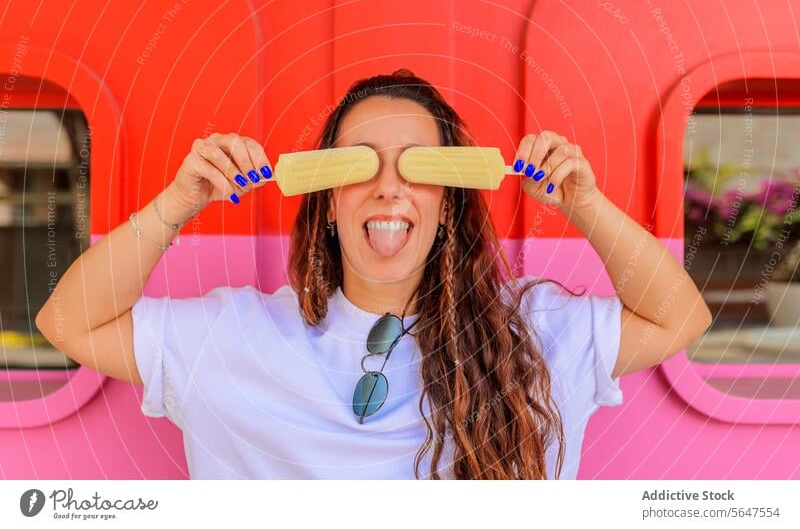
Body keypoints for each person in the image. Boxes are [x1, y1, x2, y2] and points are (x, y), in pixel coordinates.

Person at [35, 68, 712, 480]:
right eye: (359, 164)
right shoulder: (230, 334)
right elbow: (67, 321)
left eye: (418, 166)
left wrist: (586, 206)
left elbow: (680, 316)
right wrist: (177, 202)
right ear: (330, 203)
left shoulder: (537, 332)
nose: (389, 187)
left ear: (446, 206)